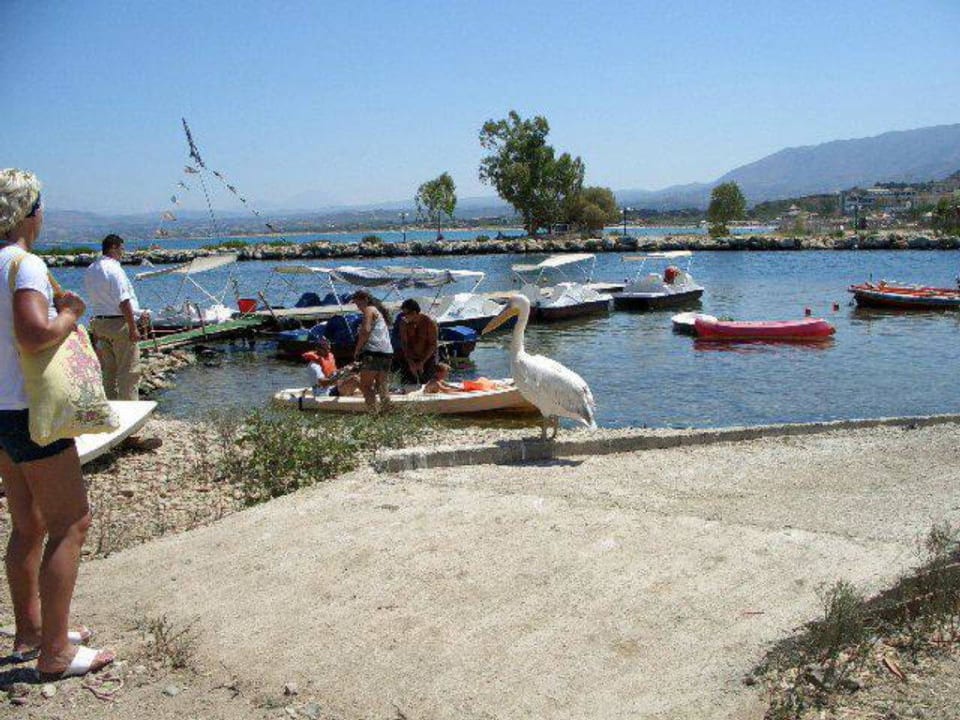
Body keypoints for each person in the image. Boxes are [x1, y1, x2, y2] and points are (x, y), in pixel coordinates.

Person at [0, 168, 115, 679]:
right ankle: (55, 654)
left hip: (2, 411)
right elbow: (33, 333)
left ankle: (32, 631)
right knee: (71, 522)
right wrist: (69, 313)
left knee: (28, 525)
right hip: (32, 410)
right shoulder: (23, 265)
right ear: (29, 212)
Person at [84, 234, 160, 451]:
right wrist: (133, 327)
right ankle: (131, 429)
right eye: (122, 249)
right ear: (115, 248)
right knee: (129, 374)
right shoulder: (114, 269)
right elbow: (123, 300)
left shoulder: (92, 269)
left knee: (109, 373)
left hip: (100, 323)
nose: (123, 253)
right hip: (119, 324)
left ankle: (109, 423)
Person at [350, 289, 393, 412]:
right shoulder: (379, 312)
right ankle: (387, 413)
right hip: (387, 352)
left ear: (365, 300)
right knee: (382, 386)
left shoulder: (369, 310)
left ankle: (374, 414)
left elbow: (365, 331)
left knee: (366, 386)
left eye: (358, 304)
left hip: (372, 351)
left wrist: (357, 350)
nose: (358, 308)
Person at [398, 298, 439, 385]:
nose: (405, 316)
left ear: (414, 313)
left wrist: (422, 362)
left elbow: (433, 344)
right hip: (410, 358)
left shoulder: (429, 322)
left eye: (406, 314)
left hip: (427, 358)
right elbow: (404, 344)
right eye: (403, 314)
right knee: (407, 385)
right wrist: (410, 362)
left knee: (427, 385)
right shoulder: (404, 323)